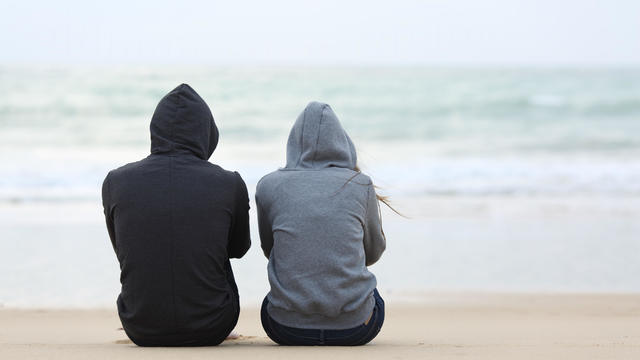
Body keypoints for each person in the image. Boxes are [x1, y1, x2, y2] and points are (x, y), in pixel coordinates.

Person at [101, 84, 250, 346]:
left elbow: (122, 249)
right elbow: (239, 248)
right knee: (212, 246)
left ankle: (153, 311)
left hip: (139, 325)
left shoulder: (116, 181)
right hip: (213, 326)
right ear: (207, 133)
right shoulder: (229, 183)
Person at [255, 101, 387, 346]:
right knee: (373, 296)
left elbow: (271, 250)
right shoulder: (360, 184)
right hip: (357, 328)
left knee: (272, 302)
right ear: (342, 142)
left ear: (293, 143)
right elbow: (374, 252)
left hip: (285, 329)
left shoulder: (268, 185)